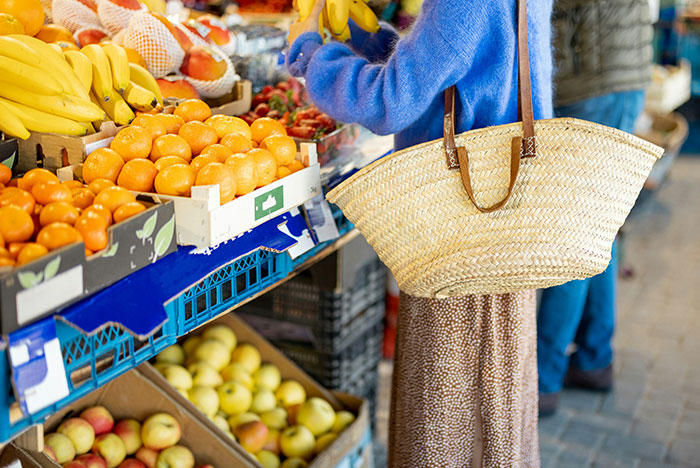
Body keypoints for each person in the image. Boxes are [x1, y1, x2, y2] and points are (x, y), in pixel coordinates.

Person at [287, 0, 553, 466]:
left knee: (446, 415)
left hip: (459, 237)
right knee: (492, 410)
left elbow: (389, 101)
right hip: (500, 227)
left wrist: (309, 53)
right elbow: (448, 70)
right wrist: (362, 37)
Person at [537, 0, 653, 416]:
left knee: (573, 235)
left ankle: (541, 380)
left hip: (593, 81)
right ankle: (593, 358)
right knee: (598, 226)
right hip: (615, 75)